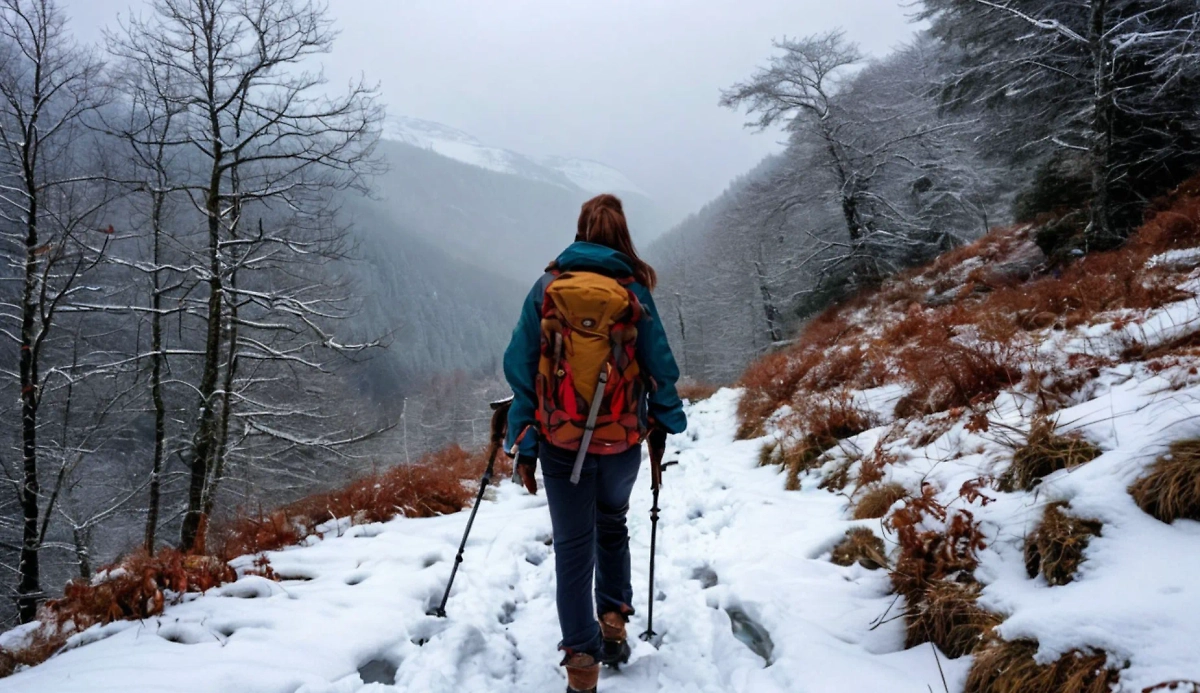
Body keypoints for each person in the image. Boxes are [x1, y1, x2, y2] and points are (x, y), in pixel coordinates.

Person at [503, 194, 688, 693]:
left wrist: (524, 436)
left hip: (560, 440)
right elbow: (660, 363)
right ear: (622, 233)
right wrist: (667, 417)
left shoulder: (548, 287)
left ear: (580, 231)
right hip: (622, 440)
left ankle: (582, 665)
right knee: (612, 525)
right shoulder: (633, 289)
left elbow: (520, 366)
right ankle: (612, 620)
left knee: (572, 548)